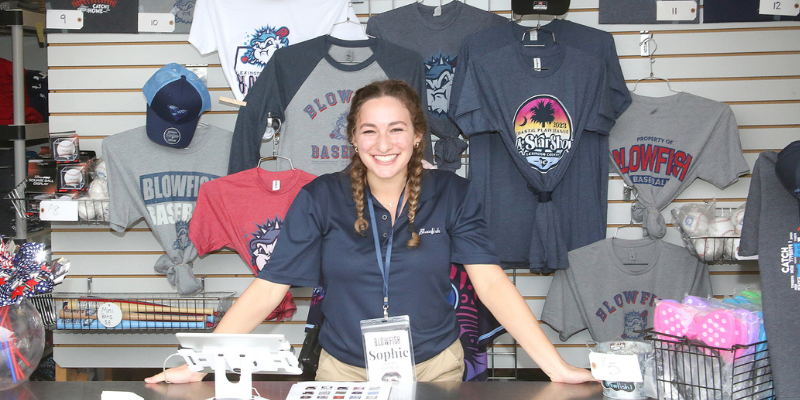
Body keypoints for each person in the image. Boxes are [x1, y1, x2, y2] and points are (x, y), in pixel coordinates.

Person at [145, 79, 595, 384]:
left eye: (396, 129)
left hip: (435, 368)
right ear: (353, 139)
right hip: (343, 373)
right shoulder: (320, 198)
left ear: (417, 135)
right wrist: (199, 366)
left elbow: (492, 285)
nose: (383, 144)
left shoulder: (453, 194)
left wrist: (555, 368)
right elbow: (267, 290)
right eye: (369, 131)